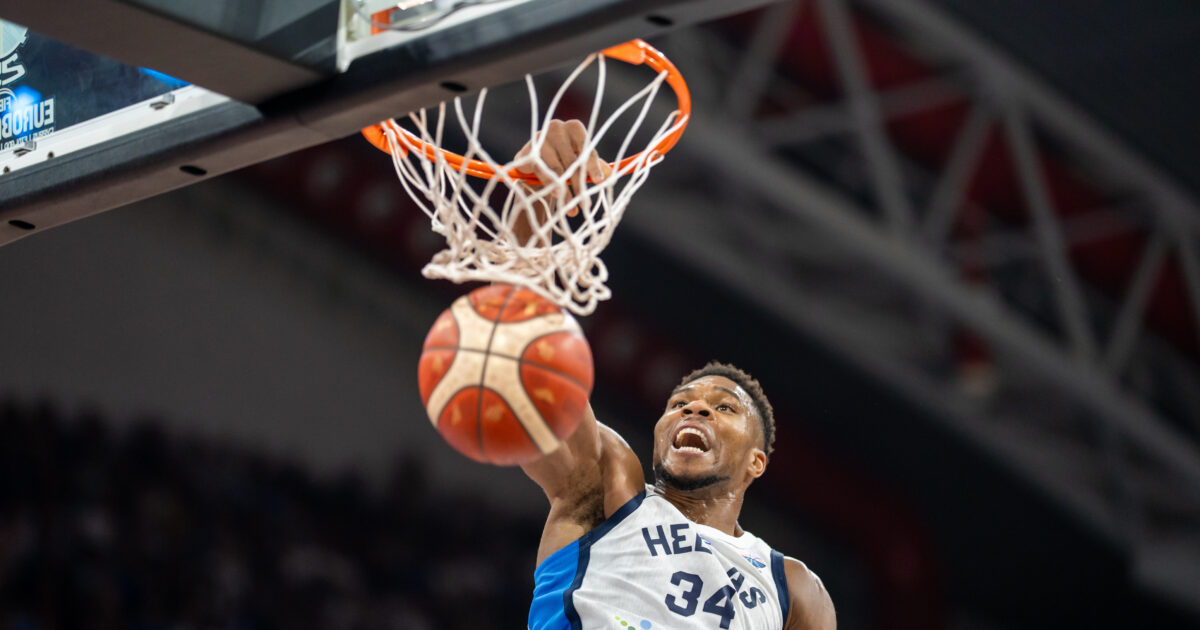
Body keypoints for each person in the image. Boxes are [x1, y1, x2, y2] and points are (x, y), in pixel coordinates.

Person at [515, 121, 836, 630]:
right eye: (679, 404)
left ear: (756, 462)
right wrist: (530, 202)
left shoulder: (794, 590)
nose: (695, 407)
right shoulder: (607, 486)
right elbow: (529, 377)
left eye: (724, 407)